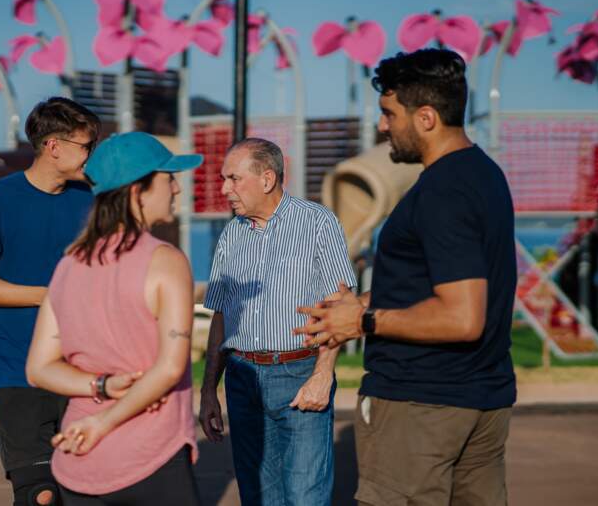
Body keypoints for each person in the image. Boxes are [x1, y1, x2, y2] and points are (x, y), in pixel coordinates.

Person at [296, 49, 517, 506]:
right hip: (482, 397)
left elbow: (461, 317)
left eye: (389, 113)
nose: (382, 126)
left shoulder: (442, 191)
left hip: (422, 404)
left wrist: (364, 322)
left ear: (427, 118)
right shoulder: (484, 175)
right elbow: (446, 281)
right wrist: (360, 303)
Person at [25, 132, 204, 506]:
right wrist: (102, 423)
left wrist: (102, 387)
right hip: (150, 457)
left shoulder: (69, 264)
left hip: (80, 462)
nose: (176, 189)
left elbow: (40, 369)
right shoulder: (166, 261)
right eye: (168, 178)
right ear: (137, 190)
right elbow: (169, 368)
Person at [0, 97, 101, 506]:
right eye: (86, 145)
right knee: (39, 495)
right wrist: (49, 297)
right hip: (16, 372)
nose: (92, 153)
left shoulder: (90, 200)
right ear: (54, 146)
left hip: (82, 369)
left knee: (86, 492)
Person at [198, 138, 356, 506]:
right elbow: (221, 316)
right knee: (258, 496)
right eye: (224, 179)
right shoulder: (232, 234)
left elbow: (340, 305)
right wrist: (209, 391)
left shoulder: (317, 223)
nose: (225, 189)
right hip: (242, 379)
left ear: (267, 178)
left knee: (304, 497)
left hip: (300, 375)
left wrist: (323, 374)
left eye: (234, 179)